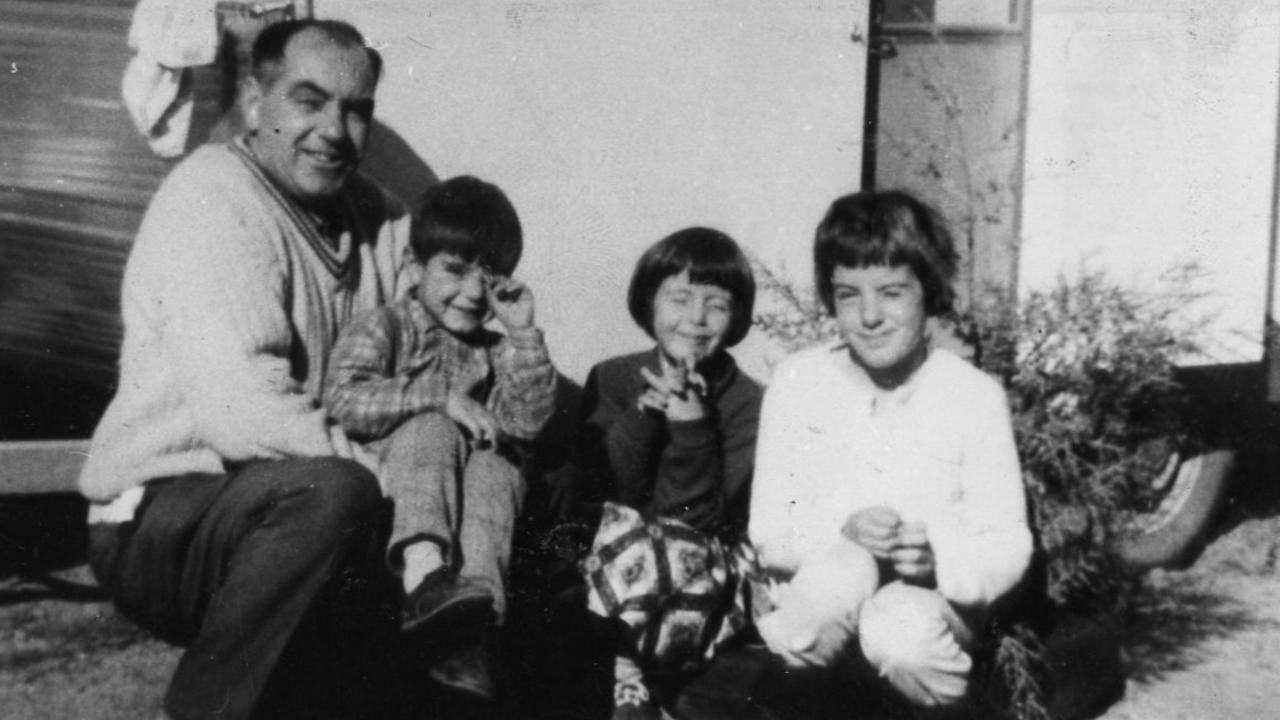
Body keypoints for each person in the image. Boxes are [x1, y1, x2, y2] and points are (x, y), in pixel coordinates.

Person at [78, 19, 415, 720]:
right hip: (165, 513)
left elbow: (432, 339)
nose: (334, 129)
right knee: (334, 495)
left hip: (290, 499)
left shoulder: (379, 217)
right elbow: (244, 413)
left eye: (356, 110)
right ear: (257, 103)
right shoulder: (212, 199)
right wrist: (401, 488)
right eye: (309, 100)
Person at [748, 190, 1032, 717]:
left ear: (930, 292)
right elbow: (769, 527)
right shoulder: (797, 382)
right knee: (806, 616)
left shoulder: (972, 396)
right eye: (849, 294)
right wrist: (843, 532)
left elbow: (1007, 538)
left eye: (892, 292)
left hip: (929, 606)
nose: (870, 315)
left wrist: (939, 559)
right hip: (828, 582)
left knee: (900, 632)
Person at [324, 175, 558, 701]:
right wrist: (437, 397)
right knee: (432, 426)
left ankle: (473, 632)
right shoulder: (385, 327)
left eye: (491, 278)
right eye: (455, 270)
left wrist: (522, 334)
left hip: (473, 497)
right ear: (413, 265)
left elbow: (528, 424)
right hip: (402, 486)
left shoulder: (497, 350)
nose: (474, 292)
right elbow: (344, 397)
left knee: (499, 465)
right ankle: (426, 580)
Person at [577, 227, 763, 720]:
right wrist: (643, 416)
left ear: (738, 315)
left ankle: (634, 681)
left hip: (700, 562)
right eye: (679, 298)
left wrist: (693, 430)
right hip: (617, 560)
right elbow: (603, 491)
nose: (696, 320)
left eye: (716, 304)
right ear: (649, 301)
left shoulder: (750, 402)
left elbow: (702, 521)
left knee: (670, 548)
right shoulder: (613, 377)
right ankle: (627, 681)